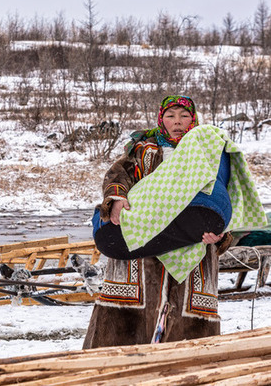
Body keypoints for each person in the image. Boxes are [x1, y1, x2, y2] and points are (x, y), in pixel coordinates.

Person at [83, 95, 266, 348]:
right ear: (161, 118)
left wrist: (221, 237)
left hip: (192, 250)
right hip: (143, 250)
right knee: (128, 326)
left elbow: (223, 198)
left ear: (193, 118)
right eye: (170, 116)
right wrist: (115, 199)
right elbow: (118, 175)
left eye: (184, 116)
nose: (177, 122)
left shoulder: (208, 148)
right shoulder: (144, 148)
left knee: (187, 328)